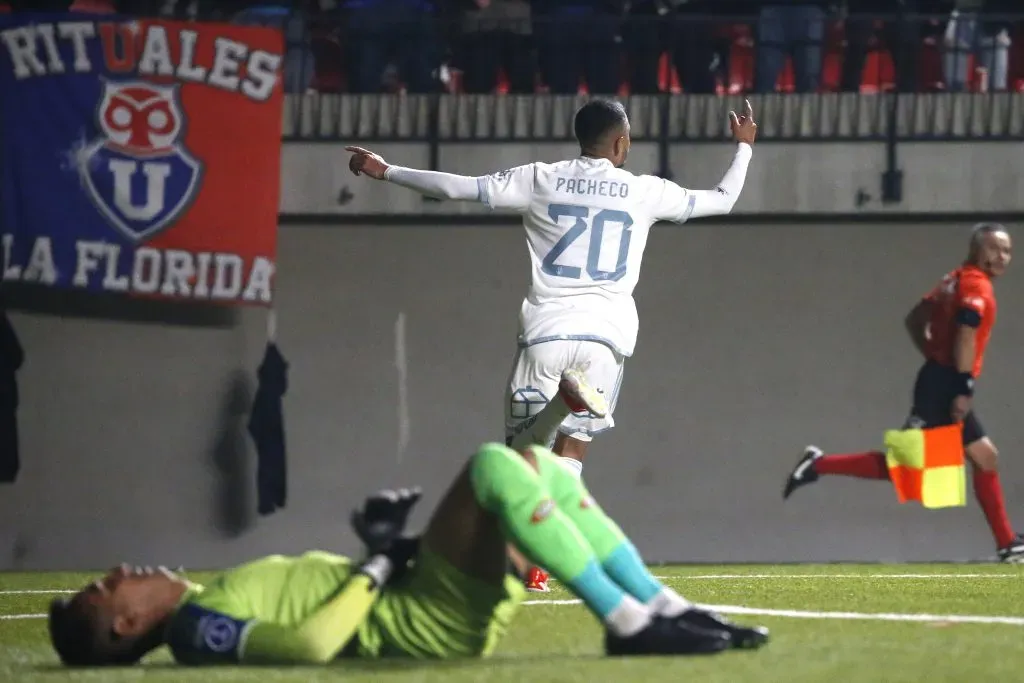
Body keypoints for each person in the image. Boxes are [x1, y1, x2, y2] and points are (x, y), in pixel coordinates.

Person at [345, 98, 757, 592]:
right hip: (606, 340)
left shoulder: (541, 178)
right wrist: (744, 148)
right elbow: (722, 198)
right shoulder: (644, 192)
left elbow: (460, 188)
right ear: (621, 142)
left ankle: (525, 550)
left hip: (548, 332)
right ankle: (547, 555)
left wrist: (386, 171)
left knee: (521, 457)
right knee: (571, 455)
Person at [49, 424, 770, 665]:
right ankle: (627, 622)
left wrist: (385, 550)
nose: (116, 572)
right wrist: (381, 559)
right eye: (105, 587)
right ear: (126, 624)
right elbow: (308, 646)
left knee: (537, 461)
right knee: (495, 462)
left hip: (415, 594)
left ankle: (659, 604)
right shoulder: (189, 629)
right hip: (419, 618)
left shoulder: (205, 600)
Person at [782, 223, 1024, 563]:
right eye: (994, 248)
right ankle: (818, 464)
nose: (1002, 257)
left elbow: (915, 318)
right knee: (907, 468)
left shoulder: (952, 279)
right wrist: (961, 385)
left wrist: (932, 354)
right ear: (975, 249)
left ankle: (1008, 543)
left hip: (939, 377)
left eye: (1007, 251)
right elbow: (966, 334)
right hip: (946, 385)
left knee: (984, 456)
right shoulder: (976, 285)